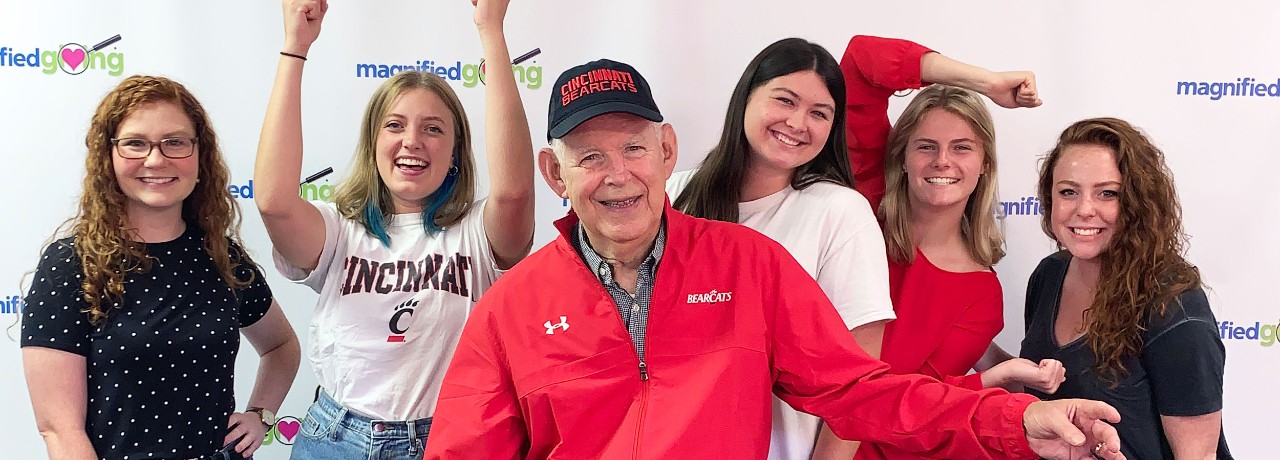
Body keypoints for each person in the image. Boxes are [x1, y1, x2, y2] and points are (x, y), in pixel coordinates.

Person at [422, 58, 1127, 460]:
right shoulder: (510, 306)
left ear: (667, 152)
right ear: (555, 173)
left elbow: (860, 392)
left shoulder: (747, 265)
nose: (617, 173)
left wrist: (1014, 421)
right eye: (591, 157)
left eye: (635, 148)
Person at [254, 0, 535, 457]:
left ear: (456, 153)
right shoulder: (339, 231)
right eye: (395, 125)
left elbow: (516, 193)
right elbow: (273, 203)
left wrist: (491, 30)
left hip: (445, 438)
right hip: (334, 438)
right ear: (373, 143)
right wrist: (295, 47)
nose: (412, 140)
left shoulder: (477, 234)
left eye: (433, 129)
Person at [20, 75, 301, 460]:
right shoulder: (70, 264)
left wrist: (261, 415)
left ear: (199, 155)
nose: (156, 159)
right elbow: (60, 428)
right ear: (109, 156)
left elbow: (281, 345)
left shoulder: (221, 255)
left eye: (175, 142)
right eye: (135, 143)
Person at [841, 34, 1068, 459]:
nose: (942, 161)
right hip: (776, 428)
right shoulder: (863, 201)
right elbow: (859, 61)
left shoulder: (980, 294)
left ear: (984, 164)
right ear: (902, 157)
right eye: (926, 146)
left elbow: (917, 408)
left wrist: (999, 377)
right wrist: (985, 83)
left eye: (961, 147)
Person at [667, 38, 895, 460]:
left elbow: (860, 386)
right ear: (746, 97)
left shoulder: (839, 212)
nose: (797, 122)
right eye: (785, 100)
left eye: (819, 113)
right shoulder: (674, 192)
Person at [1019, 117, 1233, 459]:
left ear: (1137, 202)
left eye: (1107, 193)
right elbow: (1039, 392)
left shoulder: (1173, 305)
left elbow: (1198, 455)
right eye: (1068, 192)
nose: (1084, 209)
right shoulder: (1049, 274)